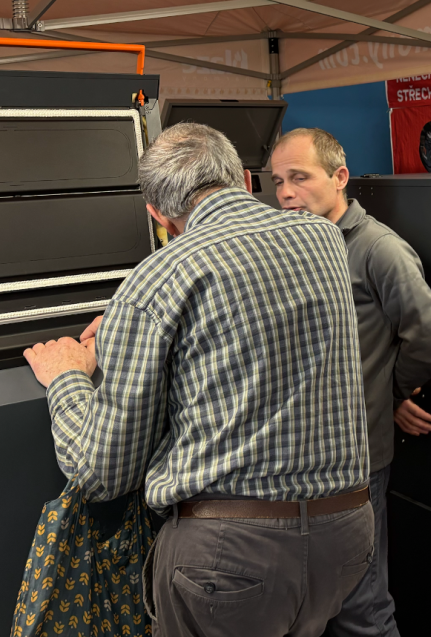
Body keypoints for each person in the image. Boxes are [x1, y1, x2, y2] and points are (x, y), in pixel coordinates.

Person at [22, 123, 373, 637]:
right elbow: (255, 321)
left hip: (228, 560)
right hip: (344, 538)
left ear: (158, 216)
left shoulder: (157, 278)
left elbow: (101, 473)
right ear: (246, 180)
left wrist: (67, 377)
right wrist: (134, 328)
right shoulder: (323, 238)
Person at [269, 128, 431, 637]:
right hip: (300, 460)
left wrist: (387, 395)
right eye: (278, 181)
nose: (286, 193)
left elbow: (430, 344)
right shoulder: (294, 246)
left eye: (300, 177)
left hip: (355, 462)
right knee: (312, 603)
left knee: (360, 606)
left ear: (340, 177)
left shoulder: (379, 250)